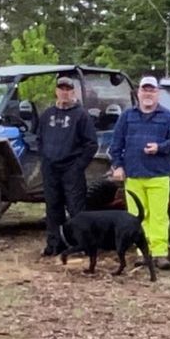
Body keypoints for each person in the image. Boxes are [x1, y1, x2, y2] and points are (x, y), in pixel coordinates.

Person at [108, 75, 170, 268]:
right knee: (135, 217)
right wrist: (117, 166)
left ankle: (160, 253)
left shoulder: (167, 116)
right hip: (133, 176)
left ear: (157, 93)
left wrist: (160, 147)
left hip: (158, 175)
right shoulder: (127, 116)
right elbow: (115, 144)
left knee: (158, 215)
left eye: (152, 90)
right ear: (138, 93)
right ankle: (143, 252)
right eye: (145, 90)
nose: (148, 93)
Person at [38, 75, 99, 258]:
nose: (64, 93)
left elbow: (91, 144)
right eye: (61, 89)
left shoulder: (81, 115)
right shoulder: (47, 115)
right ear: (56, 91)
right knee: (52, 208)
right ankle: (54, 244)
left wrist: (78, 166)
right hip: (51, 169)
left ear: (73, 92)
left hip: (72, 169)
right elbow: (40, 139)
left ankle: (82, 244)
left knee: (75, 209)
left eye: (68, 89)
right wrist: (45, 159)